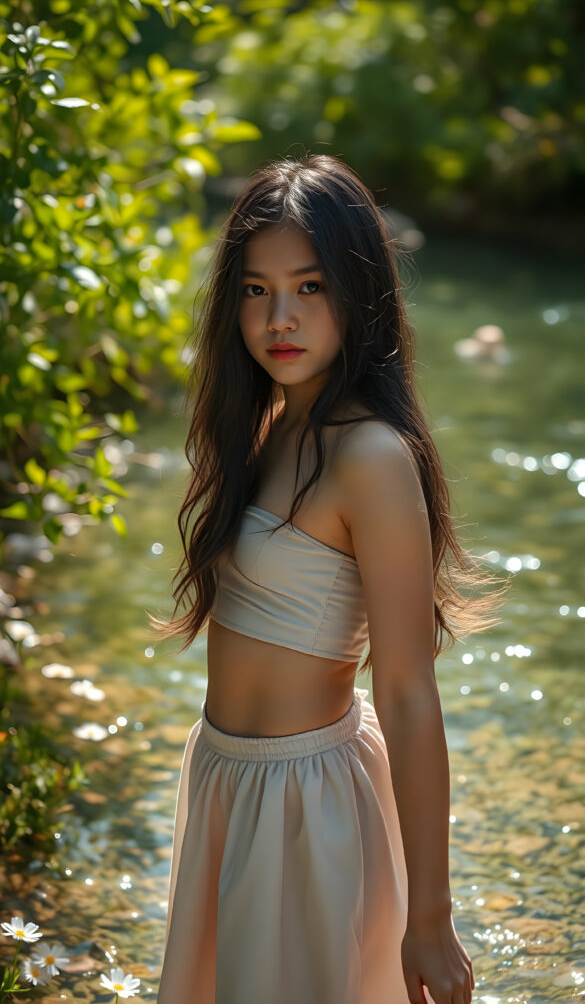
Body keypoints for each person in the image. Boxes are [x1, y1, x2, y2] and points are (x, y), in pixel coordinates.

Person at [150, 153, 508, 1004]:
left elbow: (410, 692)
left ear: (358, 290)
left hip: (307, 801)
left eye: (309, 287)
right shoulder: (270, 422)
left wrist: (431, 917)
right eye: (255, 289)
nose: (279, 317)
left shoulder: (370, 455)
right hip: (228, 776)